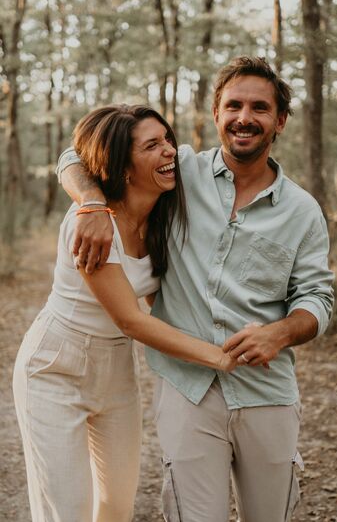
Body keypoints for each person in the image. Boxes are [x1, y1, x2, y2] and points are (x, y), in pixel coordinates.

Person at [56, 57, 334, 522]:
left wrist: (280, 333)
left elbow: (318, 298)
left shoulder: (303, 211)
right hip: (188, 390)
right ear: (216, 113)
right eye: (234, 105)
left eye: (260, 108)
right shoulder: (178, 171)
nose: (245, 117)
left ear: (280, 121)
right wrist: (91, 203)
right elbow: (75, 156)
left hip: (267, 392)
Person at [13, 104, 243, 522]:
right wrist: (220, 356)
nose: (169, 151)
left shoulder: (166, 213)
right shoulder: (88, 226)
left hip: (117, 371)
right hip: (54, 366)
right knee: (68, 511)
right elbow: (131, 319)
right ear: (122, 166)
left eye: (167, 139)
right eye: (152, 145)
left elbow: (161, 302)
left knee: (117, 508)